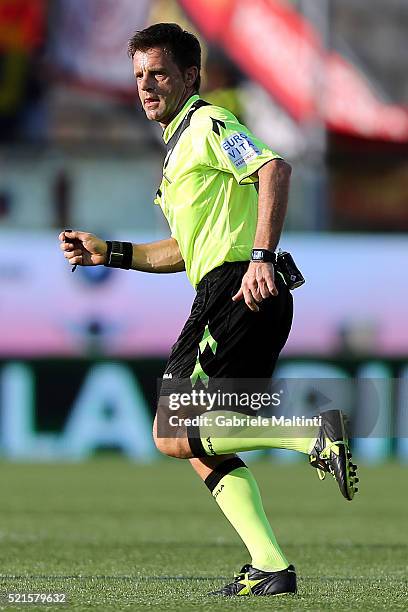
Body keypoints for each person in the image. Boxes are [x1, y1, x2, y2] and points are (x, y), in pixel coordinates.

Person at [59, 23, 358, 597]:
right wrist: (111, 252)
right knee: (194, 442)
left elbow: (274, 169)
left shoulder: (208, 123)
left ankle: (308, 432)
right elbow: (182, 249)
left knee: (172, 432)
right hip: (234, 289)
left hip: (238, 291)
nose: (146, 86)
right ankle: (270, 565)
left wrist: (261, 257)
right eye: (140, 76)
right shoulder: (177, 152)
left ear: (190, 76)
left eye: (159, 74)